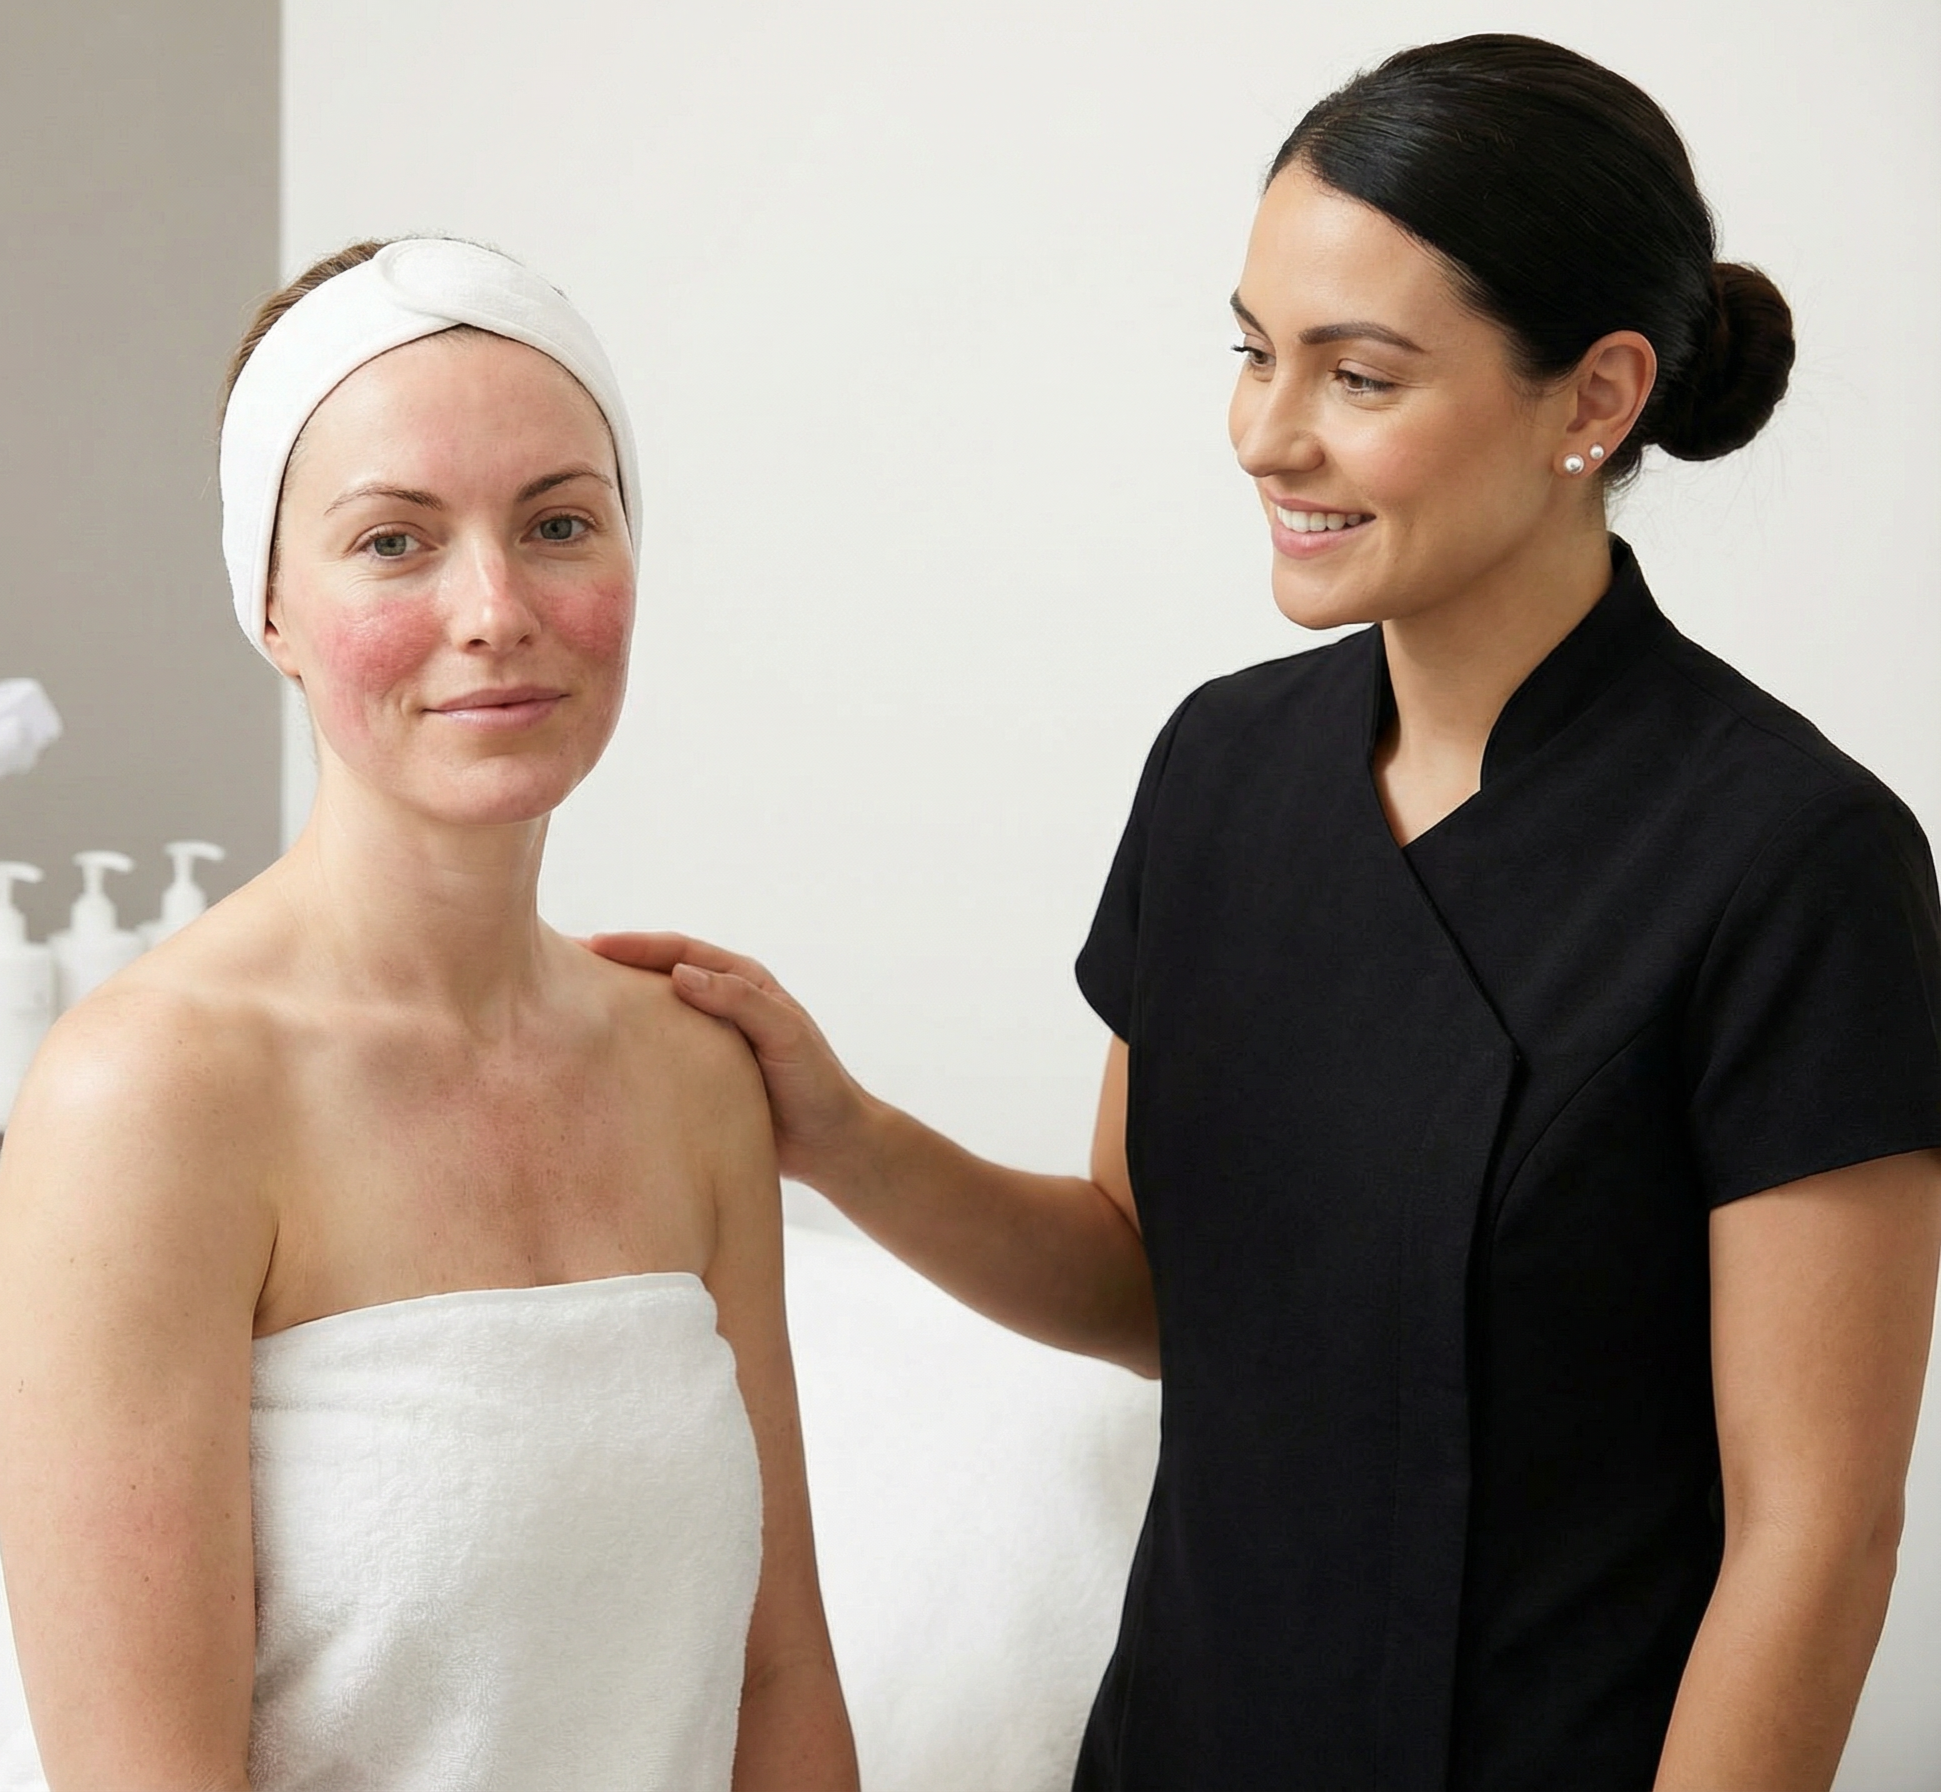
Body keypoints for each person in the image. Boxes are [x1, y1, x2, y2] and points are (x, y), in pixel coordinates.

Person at [595, 36, 1941, 1792]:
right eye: (1252, 350)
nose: (1263, 433)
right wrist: (836, 1131)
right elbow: (1153, 1282)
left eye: (1357, 376)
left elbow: (1813, 1535)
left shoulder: (1790, 858)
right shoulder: (1222, 770)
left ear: (1594, 399)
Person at [0, 238, 857, 1791]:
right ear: (270, 603)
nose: (496, 609)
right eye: (395, 543)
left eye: (559, 524)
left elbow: (776, 1676)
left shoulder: (689, 1065)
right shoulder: (150, 1100)